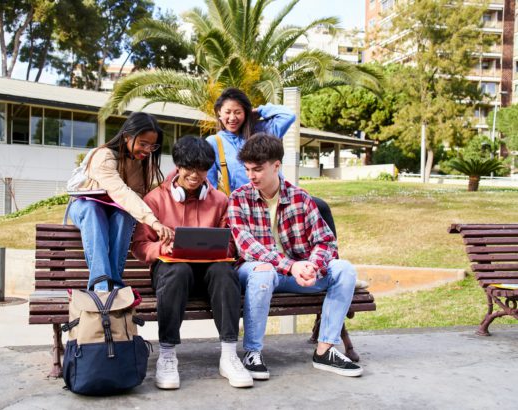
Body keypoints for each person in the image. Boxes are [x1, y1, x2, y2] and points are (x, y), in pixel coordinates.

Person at [228, 133, 363, 380]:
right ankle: (252, 353)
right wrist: (292, 266)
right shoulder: (239, 198)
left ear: (276, 166)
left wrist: (312, 265)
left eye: (257, 169)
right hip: (258, 273)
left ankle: (325, 350)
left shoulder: (301, 198)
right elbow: (247, 247)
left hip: (299, 275)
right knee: (263, 270)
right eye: (247, 170)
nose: (251, 176)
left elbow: (325, 240)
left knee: (344, 269)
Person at [132, 136, 253, 390]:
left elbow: (230, 242)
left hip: (209, 273)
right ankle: (167, 355)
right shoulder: (155, 199)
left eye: (202, 169)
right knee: (177, 269)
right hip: (172, 273)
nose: (195, 175)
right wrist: (163, 247)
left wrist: (221, 247)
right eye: (189, 168)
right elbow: (140, 246)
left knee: (224, 270)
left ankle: (229, 355)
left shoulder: (220, 200)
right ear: (178, 166)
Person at [206, 87, 337, 237]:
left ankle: (330, 255)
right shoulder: (214, 142)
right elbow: (211, 186)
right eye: (227, 112)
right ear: (219, 112)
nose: (232, 118)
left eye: (238, 112)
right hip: (246, 203)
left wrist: (260, 110)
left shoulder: (263, 131)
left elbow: (288, 115)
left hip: (279, 197)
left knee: (320, 206)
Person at [67, 112, 173, 291]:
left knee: (125, 215)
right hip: (85, 207)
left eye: (152, 146)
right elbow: (122, 193)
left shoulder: (142, 165)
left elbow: (138, 199)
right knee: (93, 210)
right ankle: (101, 285)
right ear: (126, 137)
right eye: (142, 143)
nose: (147, 150)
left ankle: (114, 282)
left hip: (114, 212)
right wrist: (154, 222)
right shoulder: (104, 156)